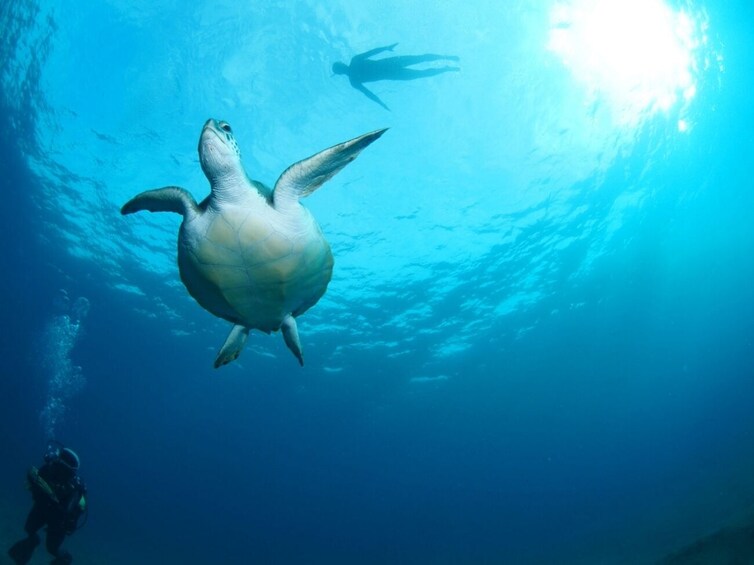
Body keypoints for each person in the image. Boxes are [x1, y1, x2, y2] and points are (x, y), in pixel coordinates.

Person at [8, 443, 87, 565]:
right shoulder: (48, 469)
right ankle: (31, 543)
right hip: (43, 508)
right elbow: (35, 485)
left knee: (52, 548)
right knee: (29, 529)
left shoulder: (73, 489)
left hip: (59, 521)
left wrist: (53, 496)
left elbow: (65, 511)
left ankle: (65, 559)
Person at [332, 43, 460, 110]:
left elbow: (368, 93)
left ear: (339, 73)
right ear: (342, 66)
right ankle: (447, 65)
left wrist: (386, 48)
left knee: (420, 66)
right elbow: (368, 93)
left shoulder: (354, 78)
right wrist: (386, 48)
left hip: (392, 68)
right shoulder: (354, 73)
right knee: (420, 66)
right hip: (392, 68)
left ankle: (447, 63)